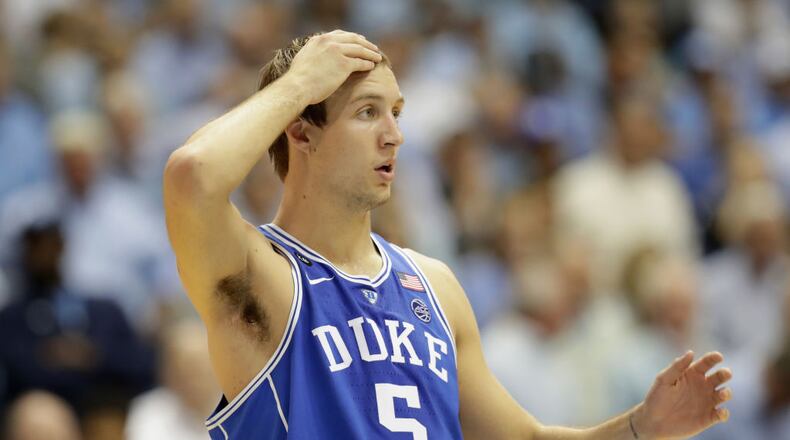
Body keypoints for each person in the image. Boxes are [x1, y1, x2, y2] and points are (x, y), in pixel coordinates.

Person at [163, 30, 733, 439]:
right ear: (302, 134)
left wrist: (641, 427)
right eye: (367, 113)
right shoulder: (261, 274)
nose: (395, 136)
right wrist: (300, 83)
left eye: (397, 112)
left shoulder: (433, 285)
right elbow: (193, 176)